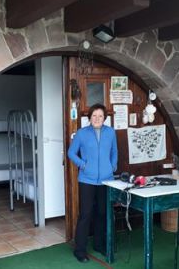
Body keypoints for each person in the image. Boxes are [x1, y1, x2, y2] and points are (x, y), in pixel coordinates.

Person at [67, 103, 118, 263]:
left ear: (104, 118)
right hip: (87, 180)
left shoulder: (110, 133)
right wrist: (83, 165)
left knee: (102, 213)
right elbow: (71, 153)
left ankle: (99, 244)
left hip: (106, 180)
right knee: (86, 214)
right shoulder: (82, 134)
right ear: (89, 118)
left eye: (100, 116)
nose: (97, 119)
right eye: (94, 116)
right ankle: (80, 250)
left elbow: (114, 151)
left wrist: (112, 165)